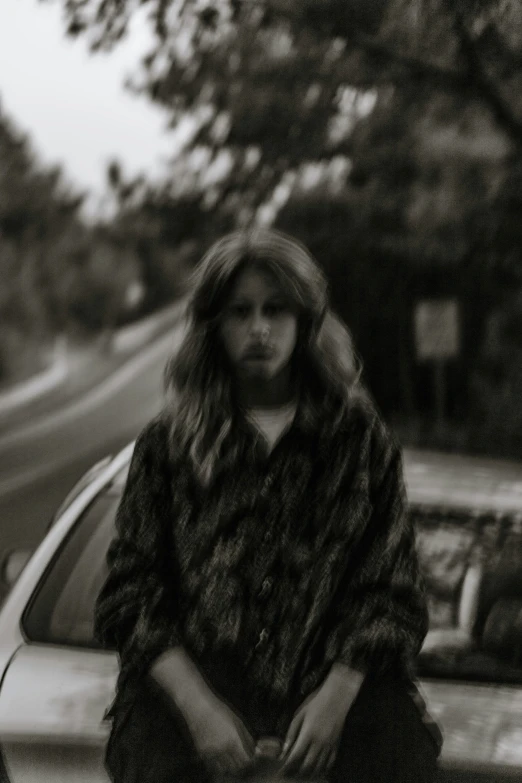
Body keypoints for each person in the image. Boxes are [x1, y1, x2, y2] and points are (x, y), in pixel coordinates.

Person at [94, 227, 442, 783]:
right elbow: (129, 595)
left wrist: (337, 699)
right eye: (240, 312)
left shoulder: (358, 440)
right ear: (214, 325)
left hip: (340, 701)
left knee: (401, 750)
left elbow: (393, 592)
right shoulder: (166, 446)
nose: (259, 328)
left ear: (305, 320)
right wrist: (199, 711)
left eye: (276, 310)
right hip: (192, 705)